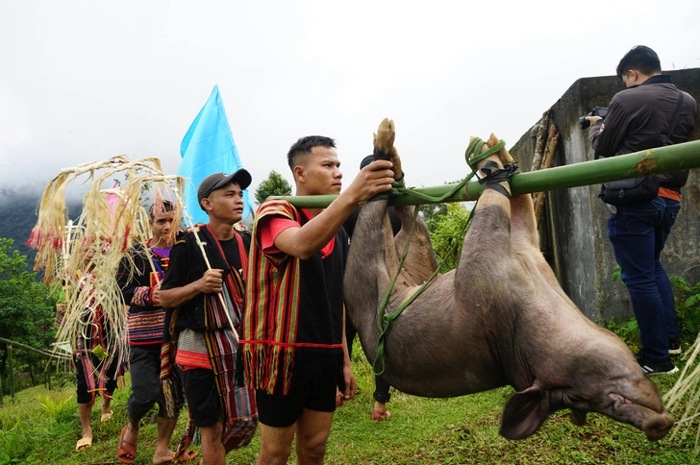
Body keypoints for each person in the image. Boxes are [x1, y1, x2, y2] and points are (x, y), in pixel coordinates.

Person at [242, 136, 396, 465]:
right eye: (327, 165)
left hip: (323, 354)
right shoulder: (276, 210)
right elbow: (300, 244)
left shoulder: (337, 231)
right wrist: (354, 195)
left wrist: (342, 358)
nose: (338, 173)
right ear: (300, 173)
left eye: (339, 165)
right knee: (274, 453)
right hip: (283, 356)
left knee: (315, 448)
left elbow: (335, 299)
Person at [587, 45, 697, 375]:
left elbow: (604, 147)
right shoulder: (686, 100)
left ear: (632, 73)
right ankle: (670, 341)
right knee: (651, 268)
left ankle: (656, 359)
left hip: (636, 199)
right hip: (670, 198)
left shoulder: (626, 99)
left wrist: (596, 125)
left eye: (625, 80)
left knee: (639, 278)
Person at [159, 171, 258, 465]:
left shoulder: (247, 242)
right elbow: (165, 297)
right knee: (212, 427)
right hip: (200, 351)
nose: (238, 200)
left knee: (245, 419)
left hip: (239, 347)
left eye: (240, 194)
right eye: (229, 195)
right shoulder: (189, 244)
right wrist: (199, 286)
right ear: (207, 203)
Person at [116, 200, 196, 464]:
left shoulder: (189, 250)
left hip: (177, 336)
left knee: (172, 397)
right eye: (160, 221)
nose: (166, 226)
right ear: (150, 224)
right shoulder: (136, 255)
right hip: (144, 338)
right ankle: (132, 425)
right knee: (145, 392)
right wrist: (151, 295)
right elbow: (123, 291)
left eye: (171, 219)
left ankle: (162, 448)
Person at [342, 154, 401, 421]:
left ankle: (339, 390)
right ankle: (379, 405)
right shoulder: (399, 204)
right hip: (385, 284)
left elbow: (341, 243)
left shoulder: (354, 207)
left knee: (345, 336)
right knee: (381, 342)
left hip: (354, 282)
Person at [69, 251, 122, 453]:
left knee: (112, 374)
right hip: (83, 337)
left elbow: (120, 301)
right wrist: (63, 308)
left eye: (95, 249)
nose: (90, 253)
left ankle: (106, 406)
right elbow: (62, 310)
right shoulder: (72, 279)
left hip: (111, 334)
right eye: (85, 249)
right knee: (84, 382)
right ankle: (86, 430)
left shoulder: (112, 277)